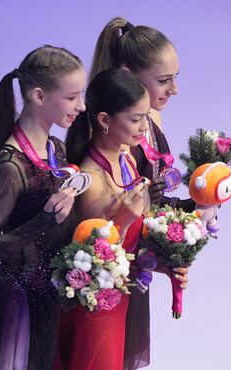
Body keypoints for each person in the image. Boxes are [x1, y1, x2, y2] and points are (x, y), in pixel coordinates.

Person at [0, 45, 86, 370]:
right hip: (18, 305)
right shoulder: (10, 166)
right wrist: (42, 220)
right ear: (40, 96)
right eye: (72, 97)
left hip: (52, 298)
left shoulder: (56, 149)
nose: (81, 106)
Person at [89, 17, 194, 369]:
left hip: (133, 264)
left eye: (176, 77)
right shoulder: (113, 136)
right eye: (164, 81)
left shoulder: (150, 122)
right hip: (103, 271)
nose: (174, 89)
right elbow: (100, 226)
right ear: (128, 76)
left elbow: (151, 205)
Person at [54, 68, 151, 370]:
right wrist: (119, 224)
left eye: (145, 116)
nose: (144, 126)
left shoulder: (128, 159)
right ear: (105, 120)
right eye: (135, 119)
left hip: (122, 299)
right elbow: (91, 264)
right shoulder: (92, 180)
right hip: (97, 309)